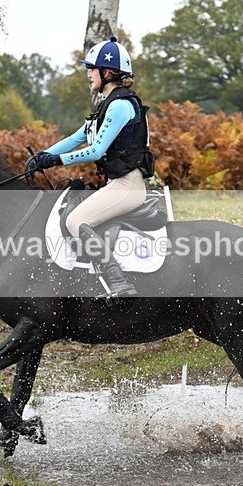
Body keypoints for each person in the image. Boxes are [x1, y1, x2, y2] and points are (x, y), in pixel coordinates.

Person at [29, 36, 155, 298]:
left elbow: (96, 149)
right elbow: (76, 138)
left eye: (91, 69)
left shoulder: (121, 106)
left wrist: (57, 161)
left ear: (107, 72)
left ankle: (119, 281)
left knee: (77, 219)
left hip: (127, 186)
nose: (88, 74)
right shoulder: (105, 107)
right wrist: (43, 155)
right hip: (116, 185)